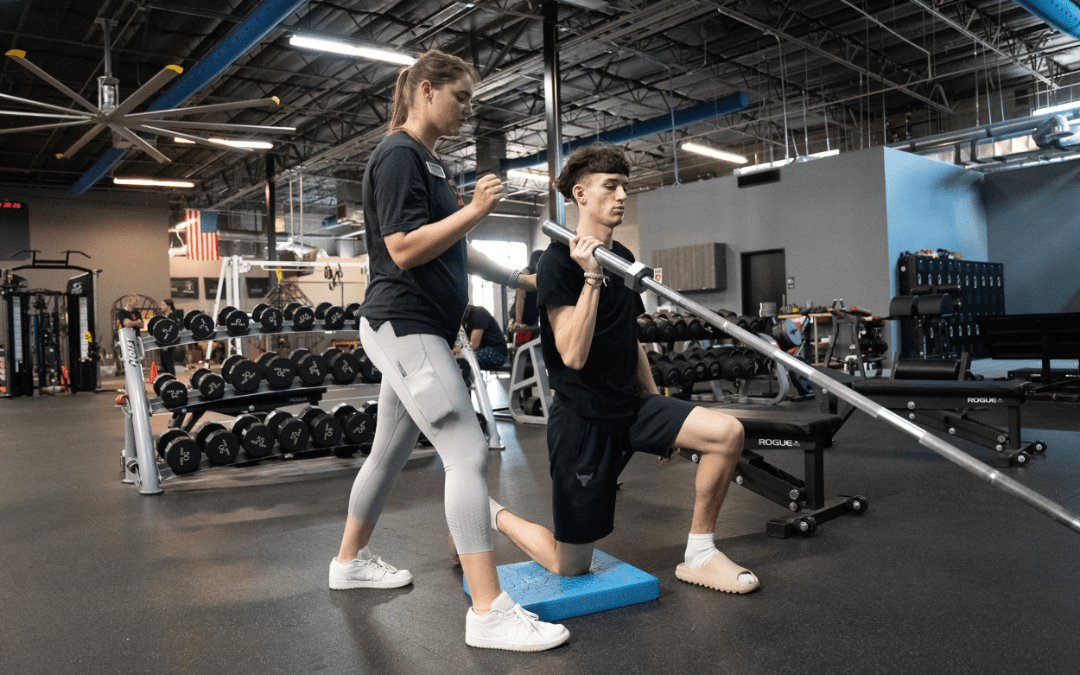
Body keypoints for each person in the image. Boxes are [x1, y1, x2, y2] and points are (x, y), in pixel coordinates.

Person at [329, 49, 570, 652]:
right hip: (403, 323)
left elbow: (453, 249)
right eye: (461, 97)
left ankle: (348, 561)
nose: (468, 109)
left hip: (420, 327)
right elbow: (405, 248)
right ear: (427, 90)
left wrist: (526, 280)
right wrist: (475, 209)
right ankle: (488, 611)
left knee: (388, 451)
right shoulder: (398, 155)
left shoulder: (430, 163)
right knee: (467, 449)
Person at [486, 144, 760, 594]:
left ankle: (701, 553)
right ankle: (491, 513)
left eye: (625, 188)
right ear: (581, 194)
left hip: (630, 407)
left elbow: (627, 338)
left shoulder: (626, 256)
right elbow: (572, 353)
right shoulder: (555, 262)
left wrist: (657, 404)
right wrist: (591, 276)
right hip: (582, 419)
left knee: (725, 433)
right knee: (569, 564)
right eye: (610, 187)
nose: (621, 197)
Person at [510, 249, 544, 345]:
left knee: (533, 346)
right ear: (533, 262)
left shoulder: (543, 274)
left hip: (533, 317)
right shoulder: (525, 272)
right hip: (522, 316)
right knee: (521, 344)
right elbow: (520, 299)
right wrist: (518, 322)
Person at [459, 304, 507, 369]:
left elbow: (473, 345)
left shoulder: (479, 313)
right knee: (461, 358)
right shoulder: (464, 320)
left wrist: (457, 351)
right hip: (481, 350)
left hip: (497, 352)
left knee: (464, 359)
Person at [157, 299, 180, 376]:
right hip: (164, 342)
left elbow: (171, 331)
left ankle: (172, 380)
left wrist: (166, 344)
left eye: (163, 305)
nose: (161, 306)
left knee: (168, 362)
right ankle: (167, 379)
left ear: (169, 306)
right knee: (164, 363)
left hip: (168, 343)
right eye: (161, 304)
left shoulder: (171, 316)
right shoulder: (166, 316)